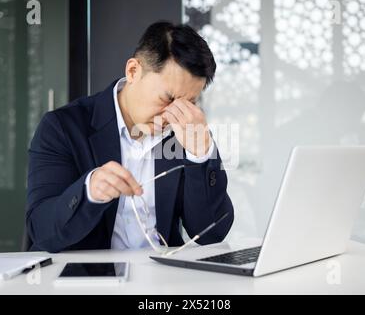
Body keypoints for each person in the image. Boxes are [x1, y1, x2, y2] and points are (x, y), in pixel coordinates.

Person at [26, 21, 234, 253]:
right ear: (133, 71)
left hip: (163, 278)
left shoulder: (186, 131)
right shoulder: (62, 127)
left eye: (188, 103)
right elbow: (42, 232)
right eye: (167, 99)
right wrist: (89, 192)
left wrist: (201, 156)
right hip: (88, 280)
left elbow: (212, 233)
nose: (172, 115)